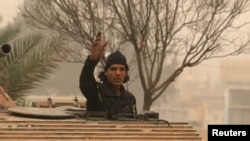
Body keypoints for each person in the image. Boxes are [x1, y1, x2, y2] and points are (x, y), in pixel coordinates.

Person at [79, 32, 137, 119]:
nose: (118, 73)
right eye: (113, 69)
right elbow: (85, 81)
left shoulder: (130, 98)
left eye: (121, 69)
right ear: (105, 72)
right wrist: (92, 59)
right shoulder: (96, 92)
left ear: (125, 73)